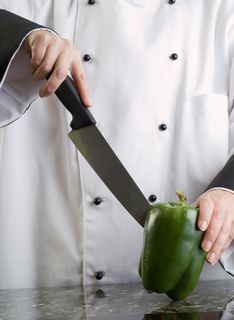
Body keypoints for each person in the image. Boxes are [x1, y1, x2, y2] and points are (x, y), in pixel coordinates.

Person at [0, 0, 233, 287]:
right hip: (57, 275)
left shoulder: (221, 11)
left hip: (197, 283)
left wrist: (229, 190)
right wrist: (22, 37)